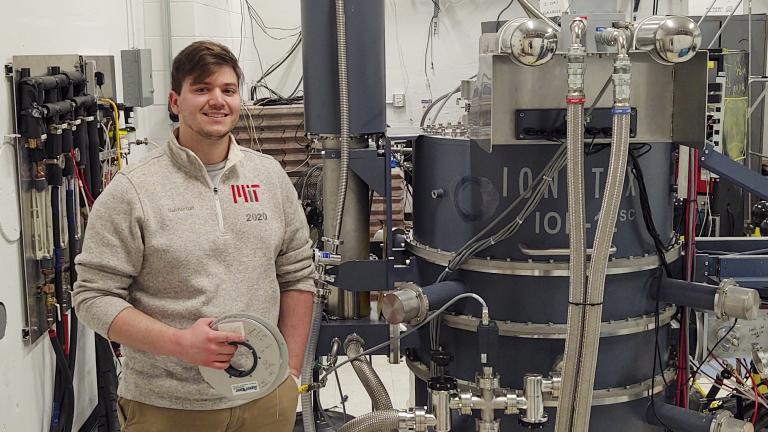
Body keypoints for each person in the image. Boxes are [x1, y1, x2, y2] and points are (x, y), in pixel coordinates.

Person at [72, 40, 315, 432]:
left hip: (264, 399)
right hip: (169, 406)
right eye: (202, 89)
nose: (217, 100)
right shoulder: (134, 190)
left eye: (228, 90)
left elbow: (298, 275)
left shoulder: (269, 177)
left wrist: (288, 370)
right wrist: (180, 344)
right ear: (175, 101)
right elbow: (92, 296)